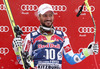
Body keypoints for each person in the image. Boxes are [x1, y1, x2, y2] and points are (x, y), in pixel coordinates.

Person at [12, 3, 99, 69]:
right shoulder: (31, 37)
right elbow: (21, 61)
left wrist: (88, 52)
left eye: (50, 15)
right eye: (45, 15)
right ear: (39, 17)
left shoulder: (62, 35)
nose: (48, 18)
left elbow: (72, 59)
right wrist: (17, 49)